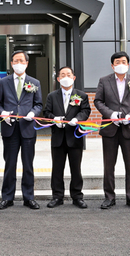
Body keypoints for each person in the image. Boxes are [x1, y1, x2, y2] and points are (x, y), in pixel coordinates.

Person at [94, 51, 130, 210]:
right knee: (109, 165)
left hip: (129, 129)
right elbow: (98, 101)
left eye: (123, 61)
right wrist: (111, 114)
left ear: (128, 64)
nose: (120, 64)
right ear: (112, 65)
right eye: (117, 62)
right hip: (110, 129)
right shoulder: (104, 81)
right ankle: (109, 197)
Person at [0, 50, 43, 210]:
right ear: (11, 63)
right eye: (15, 61)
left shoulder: (34, 82)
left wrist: (32, 113)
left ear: (27, 63)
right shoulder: (3, 82)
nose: (18, 63)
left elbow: (38, 104)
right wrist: (2, 114)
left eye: (21, 60)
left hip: (28, 129)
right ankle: (7, 197)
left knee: (28, 164)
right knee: (10, 164)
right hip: (9, 129)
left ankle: (29, 198)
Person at [42, 66, 91, 209]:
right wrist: (54, 119)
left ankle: (77, 197)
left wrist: (77, 119)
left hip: (74, 137)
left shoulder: (81, 95)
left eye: (68, 74)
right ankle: (57, 196)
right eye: (62, 75)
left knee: (76, 169)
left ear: (74, 78)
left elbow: (86, 111)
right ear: (58, 79)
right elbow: (46, 113)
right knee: (57, 169)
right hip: (58, 138)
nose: (65, 77)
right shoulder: (52, 96)